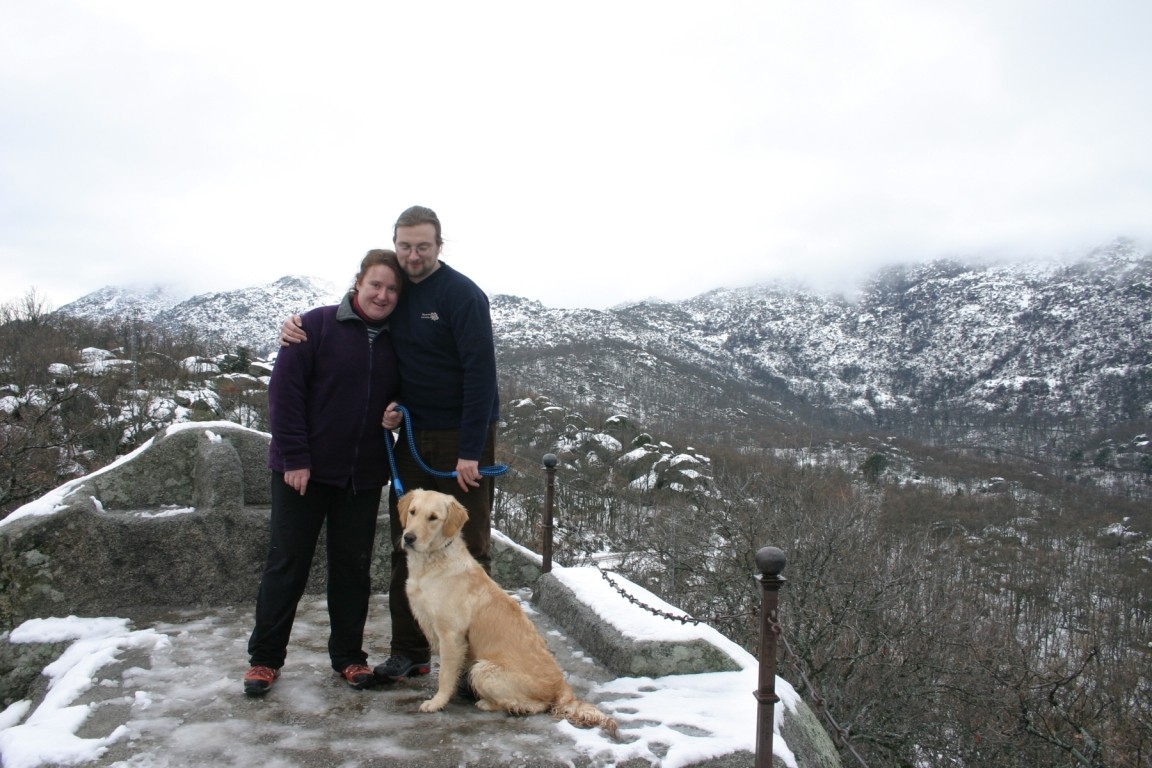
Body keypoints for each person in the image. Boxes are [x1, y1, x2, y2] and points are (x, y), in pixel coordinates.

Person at [280, 205, 500, 688]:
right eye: (405, 246)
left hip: (464, 436)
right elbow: (363, 317)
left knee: (470, 545)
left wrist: (471, 451)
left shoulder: (462, 295)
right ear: (395, 244)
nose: (413, 254)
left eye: (423, 246)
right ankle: (410, 652)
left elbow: (482, 374)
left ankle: (475, 662)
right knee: (409, 542)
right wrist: (298, 325)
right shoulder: (396, 290)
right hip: (414, 435)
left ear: (440, 246)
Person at [244, 249, 403, 696]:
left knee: (352, 570)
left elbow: (407, 393)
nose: (382, 295)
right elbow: (285, 393)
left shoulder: (399, 341)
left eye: (392, 289)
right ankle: (264, 659)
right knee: (287, 563)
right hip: (303, 472)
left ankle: (349, 658)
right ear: (358, 284)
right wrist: (295, 457)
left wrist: (397, 413)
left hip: (362, 474)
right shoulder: (314, 326)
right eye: (376, 284)